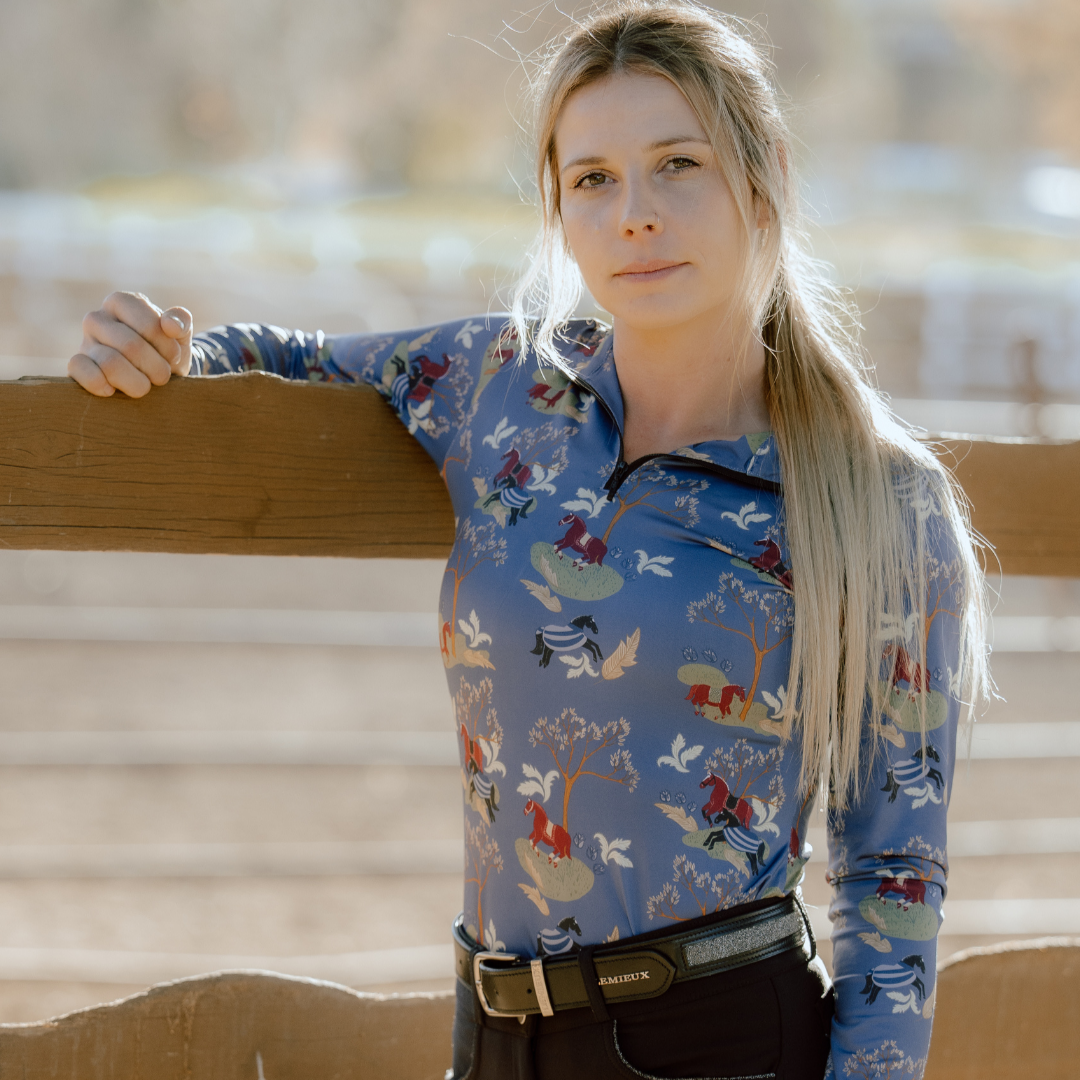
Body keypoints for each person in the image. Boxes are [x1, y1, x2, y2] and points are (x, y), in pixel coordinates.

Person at [67, 2, 988, 1077]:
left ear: (764, 174)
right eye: (593, 178)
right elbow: (270, 358)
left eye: (678, 165)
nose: (634, 215)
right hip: (495, 1032)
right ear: (557, 206)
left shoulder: (879, 501)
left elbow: (893, 872)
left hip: (720, 1038)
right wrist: (153, 350)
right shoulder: (499, 387)